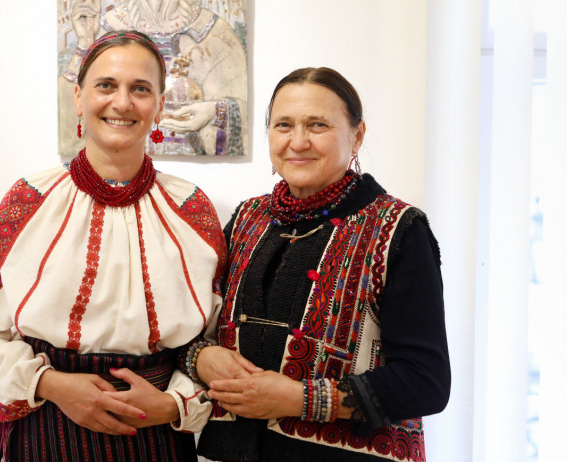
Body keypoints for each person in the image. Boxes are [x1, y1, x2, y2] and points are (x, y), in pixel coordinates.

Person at [0, 31, 226, 461]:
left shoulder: (192, 209)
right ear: (79, 98)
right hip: (48, 429)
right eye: (106, 85)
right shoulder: (29, 200)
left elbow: (217, 341)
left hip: (154, 436)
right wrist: (53, 385)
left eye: (140, 89)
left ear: (159, 106)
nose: (122, 102)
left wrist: (174, 405)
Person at [183, 67, 450, 461]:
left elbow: (425, 381)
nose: (298, 141)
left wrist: (300, 399)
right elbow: (187, 326)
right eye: (283, 125)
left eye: (317, 125)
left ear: (357, 135)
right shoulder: (246, 220)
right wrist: (201, 358)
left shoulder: (398, 229)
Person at [58, 0, 247, 156]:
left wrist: (215, 110)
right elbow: (71, 117)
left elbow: (242, 107)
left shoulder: (212, 31)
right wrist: (83, 43)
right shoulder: (105, 29)